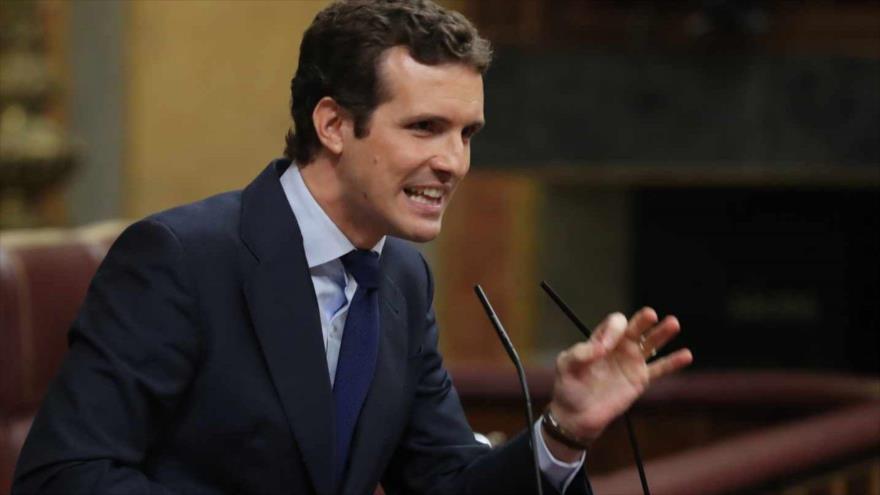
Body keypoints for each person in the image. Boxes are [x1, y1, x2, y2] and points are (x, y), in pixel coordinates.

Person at [12, 1, 692, 494]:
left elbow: (445, 479)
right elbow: (63, 475)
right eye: (426, 127)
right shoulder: (178, 259)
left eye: (467, 134)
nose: (454, 162)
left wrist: (563, 430)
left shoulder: (400, 276)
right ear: (334, 123)